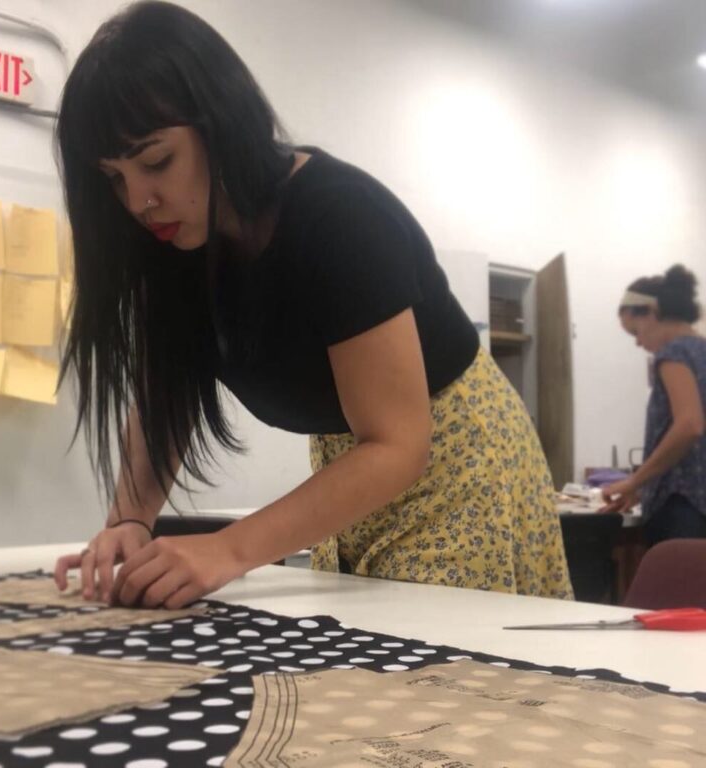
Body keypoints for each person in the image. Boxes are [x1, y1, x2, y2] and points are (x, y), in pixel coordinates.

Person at [53, 0, 572, 608]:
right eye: (114, 178)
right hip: (357, 462)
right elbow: (165, 392)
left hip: (454, 456)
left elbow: (399, 443)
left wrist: (227, 549)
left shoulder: (339, 216)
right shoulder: (175, 244)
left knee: (435, 658)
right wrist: (129, 520)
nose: (139, 200)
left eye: (156, 161)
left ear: (221, 122)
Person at [603, 265, 706, 546]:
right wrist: (641, 489)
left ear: (652, 312)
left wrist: (634, 481)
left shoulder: (673, 353)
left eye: (635, 331)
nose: (638, 343)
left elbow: (690, 425)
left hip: (681, 507)